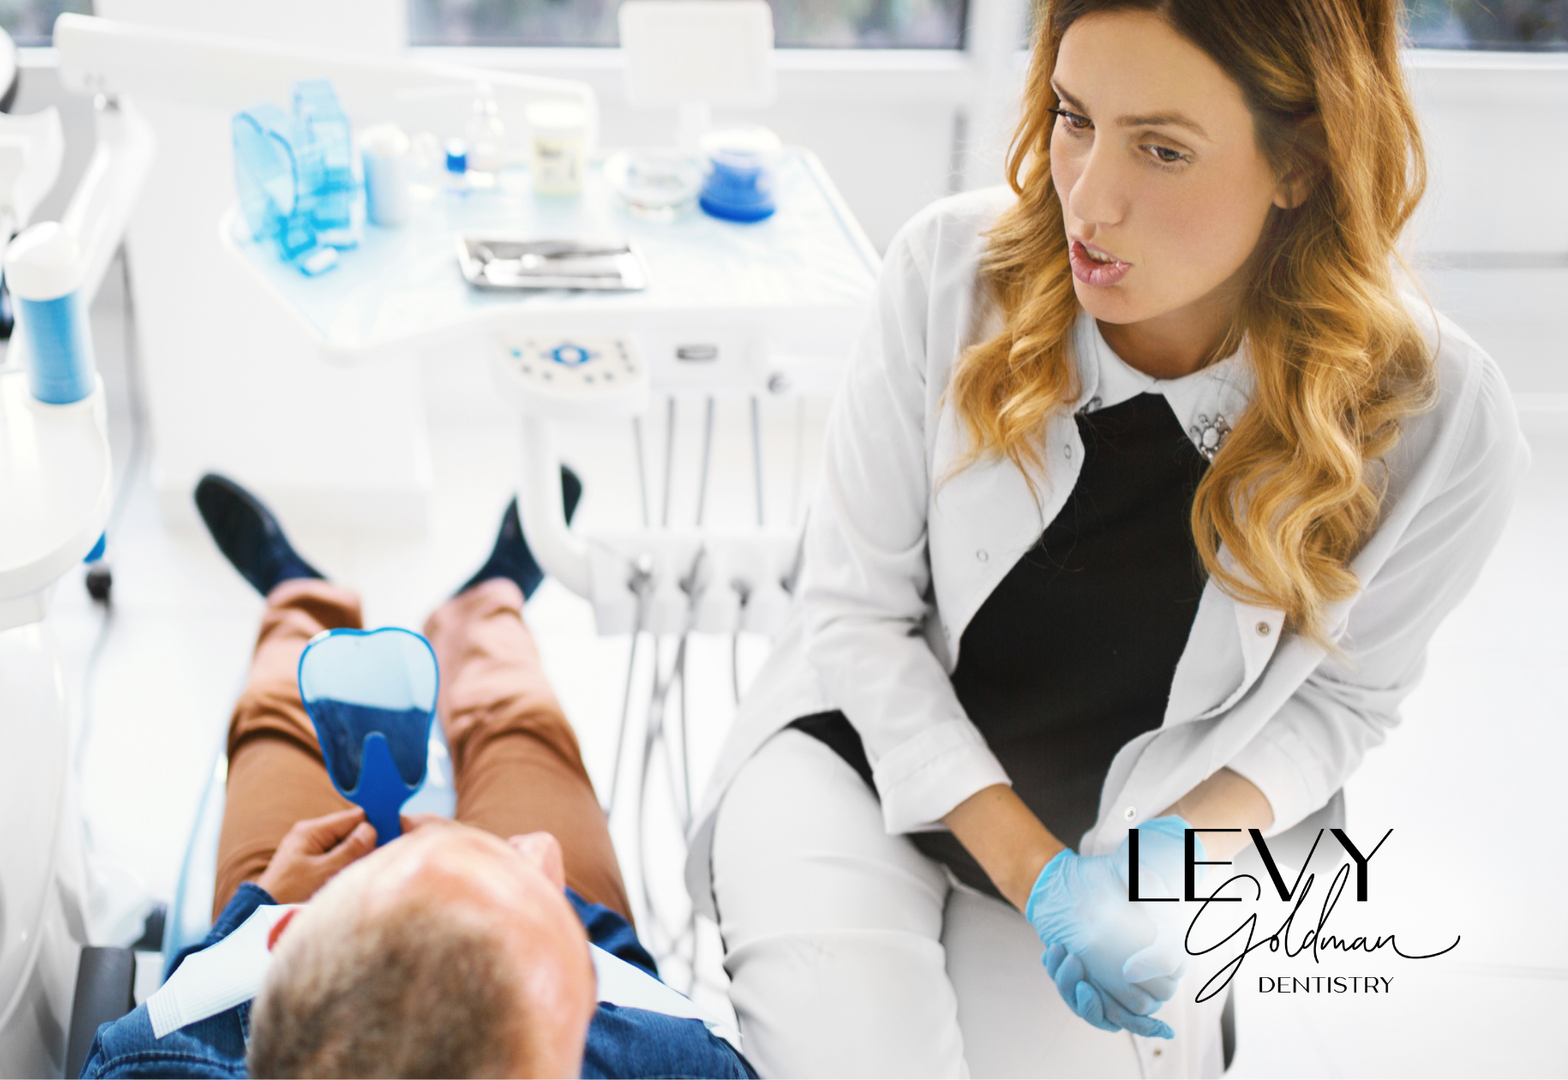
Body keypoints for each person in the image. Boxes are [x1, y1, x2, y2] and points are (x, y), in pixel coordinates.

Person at [687, 0, 1529, 1075]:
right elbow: (857, 617)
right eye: (1073, 117)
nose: (1087, 199)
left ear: (1304, 160)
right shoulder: (951, 274)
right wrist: (1040, 877)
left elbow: (1341, 703)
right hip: (857, 755)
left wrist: (1164, 864)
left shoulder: (1435, 419)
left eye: (1162, 149)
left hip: (1119, 839)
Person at [79, 473, 755, 1079]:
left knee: (275, 727)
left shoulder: (151, 1064)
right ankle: (488, 604)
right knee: (522, 732)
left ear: (288, 936)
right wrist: (543, 909)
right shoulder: (680, 1065)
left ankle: (298, 596)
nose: (537, 856)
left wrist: (255, 906)